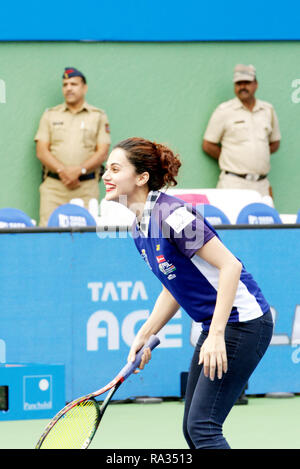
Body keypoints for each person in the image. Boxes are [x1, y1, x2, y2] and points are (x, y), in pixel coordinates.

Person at [102, 137, 274, 449]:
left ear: (141, 178)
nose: (105, 176)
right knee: (193, 429)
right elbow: (174, 286)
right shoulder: (138, 227)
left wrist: (217, 334)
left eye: (115, 169)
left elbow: (230, 267)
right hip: (219, 326)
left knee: (203, 428)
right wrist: (146, 331)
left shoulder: (174, 216)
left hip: (243, 324)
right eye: (106, 169)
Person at [34, 67, 111, 226]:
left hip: (85, 188)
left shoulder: (97, 116)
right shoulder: (50, 115)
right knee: (47, 233)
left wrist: (79, 170)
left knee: (86, 236)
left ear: (84, 88)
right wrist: (63, 171)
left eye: (73, 84)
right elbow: (41, 151)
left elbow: (102, 152)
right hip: (54, 188)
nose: (68, 88)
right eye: (65, 84)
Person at [202, 64, 281, 198]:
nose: (243, 87)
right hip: (233, 183)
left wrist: (258, 153)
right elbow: (208, 145)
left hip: (262, 184)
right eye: (239, 83)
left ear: (256, 84)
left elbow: (275, 143)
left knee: (266, 219)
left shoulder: (268, 110)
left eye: (247, 83)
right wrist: (230, 157)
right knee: (232, 219)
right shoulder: (224, 110)